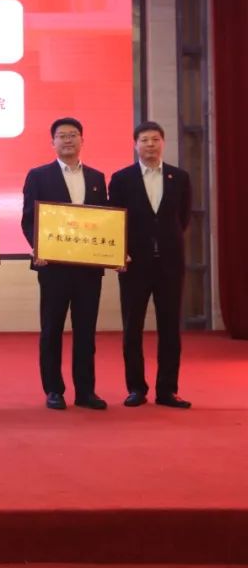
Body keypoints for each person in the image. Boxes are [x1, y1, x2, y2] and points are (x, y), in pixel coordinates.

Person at [21, 117, 108, 411]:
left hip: (88, 268)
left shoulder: (96, 178)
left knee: (86, 331)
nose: (68, 140)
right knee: (52, 329)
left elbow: (105, 220)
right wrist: (38, 248)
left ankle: (85, 391)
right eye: (62, 135)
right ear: (53, 142)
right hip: (53, 267)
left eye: (73, 135)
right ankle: (54, 390)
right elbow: (29, 219)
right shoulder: (39, 176)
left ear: (82, 140)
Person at [108, 121, 192, 408]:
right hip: (134, 263)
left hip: (170, 264)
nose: (150, 145)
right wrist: (121, 252)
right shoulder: (121, 179)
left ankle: (167, 390)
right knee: (132, 327)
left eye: (155, 139)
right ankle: (136, 388)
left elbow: (183, 218)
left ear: (163, 143)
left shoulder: (179, 177)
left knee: (170, 327)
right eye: (144, 140)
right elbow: (114, 219)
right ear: (136, 145)